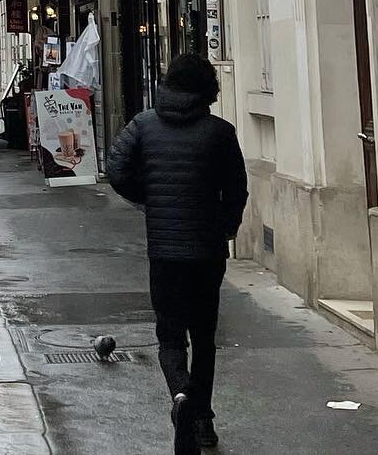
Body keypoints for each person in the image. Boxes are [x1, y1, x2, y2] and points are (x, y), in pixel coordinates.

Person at [106, 53, 247, 455]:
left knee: (169, 333)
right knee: (204, 336)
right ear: (208, 89)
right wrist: (226, 225)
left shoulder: (144, 125)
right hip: (206, 249)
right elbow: (237, 188)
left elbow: (116, 167)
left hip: (164, 249)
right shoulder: (220, 132)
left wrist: (148, 197)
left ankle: (181, 396)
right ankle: (202, 418)